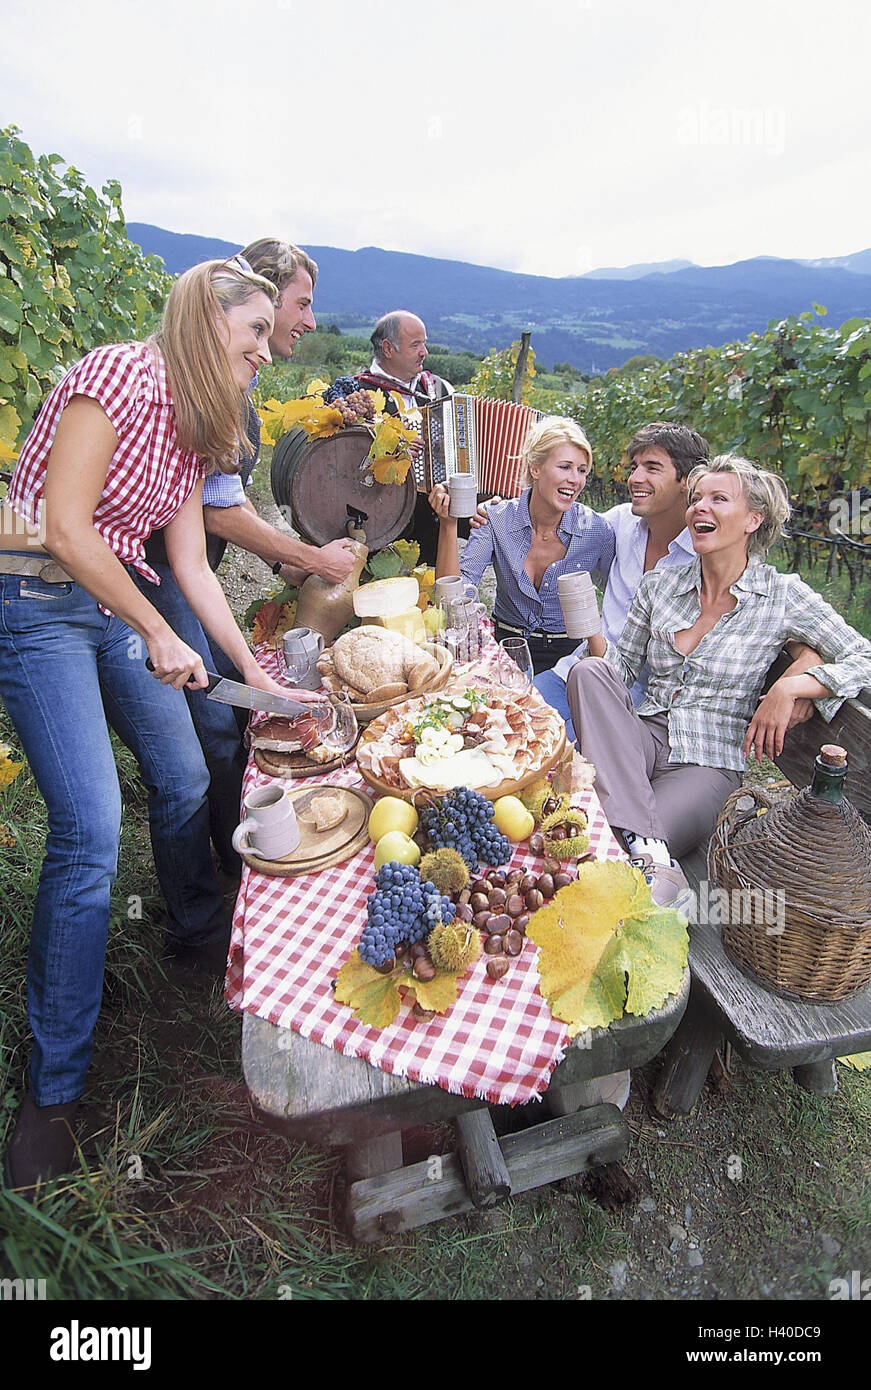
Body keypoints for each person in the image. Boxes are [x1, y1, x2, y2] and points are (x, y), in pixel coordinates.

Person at [0, 259, 294, 1190]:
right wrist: (158, 633)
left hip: (109, 603)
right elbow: (66, 528)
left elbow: (193, 566)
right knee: (90, 829)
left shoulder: (199, 426)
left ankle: (194, 931)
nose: (264, 349)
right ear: (209, 323)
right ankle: (52, 1090)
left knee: (186, 775)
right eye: (254, 331)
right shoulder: (117, 373)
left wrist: (255, 675)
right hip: (35, 597)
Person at [138, 241, 358, 875]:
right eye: (300, 304)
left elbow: (216, 507)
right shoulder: (193, 384)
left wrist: (285, 565)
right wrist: (310, 559)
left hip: (178, 572)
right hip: (143, 578)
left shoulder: (228, 383)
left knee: (212, 731)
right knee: (204, 743)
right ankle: (219, 889)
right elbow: (218, 514)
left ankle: (222, 875)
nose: (310, 321)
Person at [567, 452, 871, 876]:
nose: (699, 508)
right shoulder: (660, 584)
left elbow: (864, 656)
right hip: (643, 736)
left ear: (753, 520)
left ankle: (636, 838)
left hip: (708, 762)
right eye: (695, 498)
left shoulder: (782, 595)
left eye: (719, 499)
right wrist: (587, 627)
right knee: (588, 671)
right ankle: (652, 855)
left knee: (608, 834)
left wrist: (794, 686)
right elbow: (618, 672)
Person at [428, 416, 615, 674]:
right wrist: (448, 525)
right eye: (565, 467)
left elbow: (621, 596)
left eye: (582, 470)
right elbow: (451, 599)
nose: (575, 479)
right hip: (506, 650)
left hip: (572, 659)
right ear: (535, 468)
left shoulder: (597, 531)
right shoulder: (495, 518)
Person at [356, 310, 453, 565]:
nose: (425, 352)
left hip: (432, 526)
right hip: (381, 527)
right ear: (388, 348)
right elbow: (346, 466)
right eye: (415, 345)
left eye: (424, 343)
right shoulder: (361, 396)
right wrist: (390, 456)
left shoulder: (438, 390)